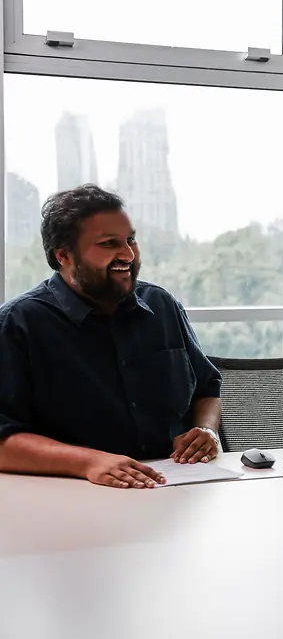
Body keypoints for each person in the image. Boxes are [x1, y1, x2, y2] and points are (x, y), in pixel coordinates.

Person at [0, 185, 223, 489]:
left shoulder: (162, 305)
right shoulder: (18, 323)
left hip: (178, 491)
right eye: (109, 244)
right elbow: (4, 439)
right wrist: (89, 461)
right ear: (63, 255)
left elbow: (207, 388)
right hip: (70, 496)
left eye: (130, 240)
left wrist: (205, 430)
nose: (128, 254)